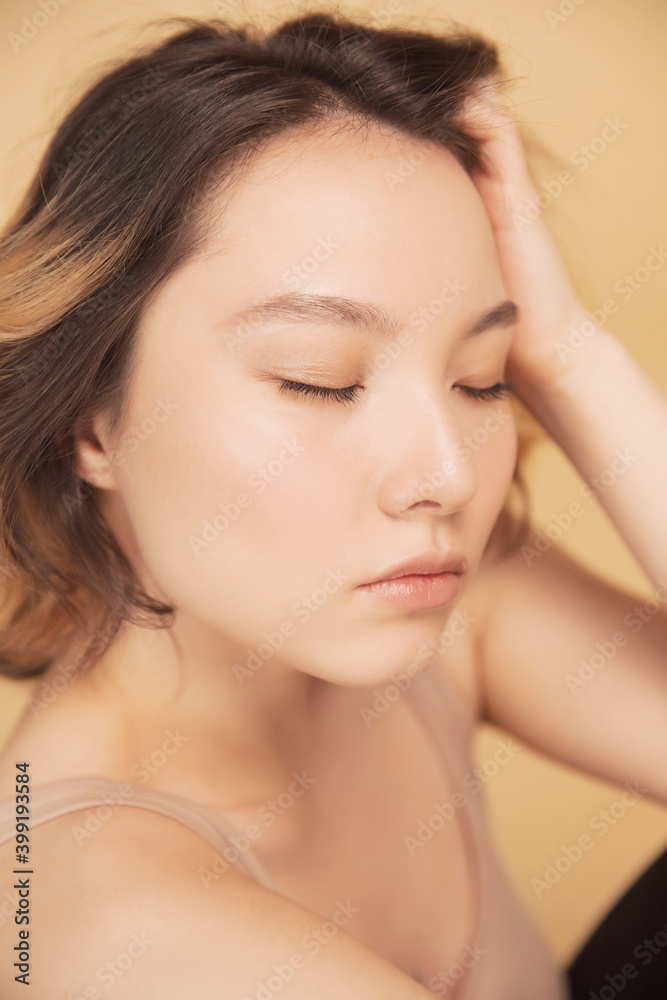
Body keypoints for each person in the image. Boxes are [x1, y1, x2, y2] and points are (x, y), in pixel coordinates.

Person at [0, 10, 665, 999]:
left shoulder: (443, 601)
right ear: (89, 423)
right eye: (321, 381)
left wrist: (569, 358)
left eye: (480, 377)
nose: (444, 473)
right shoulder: (105, 917)